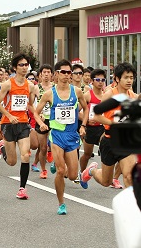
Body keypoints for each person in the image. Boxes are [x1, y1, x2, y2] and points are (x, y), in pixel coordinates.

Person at [34, 59, 88, 215]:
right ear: (56, 74)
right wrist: (42, 124)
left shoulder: (77, 92)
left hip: (72, 135)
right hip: (56, 135)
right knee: (60, 171)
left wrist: (83, 125)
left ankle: (78, 172)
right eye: (63, 72)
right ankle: (61, 203)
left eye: (69, 72)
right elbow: (36, 112)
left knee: (71, 175)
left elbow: (85, 108)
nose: (66, 75)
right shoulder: (50, 93)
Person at [81, 62, 138, 189]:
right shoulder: (110, 95)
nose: (129, 81)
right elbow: (96, 116)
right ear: (117, 79)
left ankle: (132, 207)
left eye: (131, 78)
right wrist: (113, 123)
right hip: (109, 141)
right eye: (126, 77)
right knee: (106, 181)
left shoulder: (132, 97)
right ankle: (92, 171)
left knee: (128, 176)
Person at [0, 53, 37, 199]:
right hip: (8, 123)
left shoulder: (30, 86)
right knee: (12, 162)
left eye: (26, 65)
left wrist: (37, 114)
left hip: (23, 123)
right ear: (14, 67)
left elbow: (29, 104)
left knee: (26, 155)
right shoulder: (8, 84)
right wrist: (10, 115)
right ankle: (2, 147)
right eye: (21, 65)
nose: (24, 68)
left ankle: (22, 189)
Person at [78, 69, 106, 189]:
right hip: (90, 128)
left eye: (102, 80)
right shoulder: (88, 95)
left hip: (102, 128)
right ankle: (83, 173)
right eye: (97, 80)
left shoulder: (106, 96)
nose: (100, 82)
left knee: (105, 147)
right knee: (87, 154)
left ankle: (106, 172)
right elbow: (77, 111)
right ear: (92, 81)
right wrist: (86, 121)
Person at [31, 64, 54, 178]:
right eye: (44, 72)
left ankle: (39, 162)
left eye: (48, 72)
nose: (46, 74)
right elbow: (30, 104)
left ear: (52, 74)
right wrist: (37, 113)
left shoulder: (55, 87)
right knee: (43, 147)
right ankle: (43, 170)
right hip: (41, 121)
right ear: (40, 75)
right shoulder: (36, 88)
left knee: (55, 145)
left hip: (54, 120)